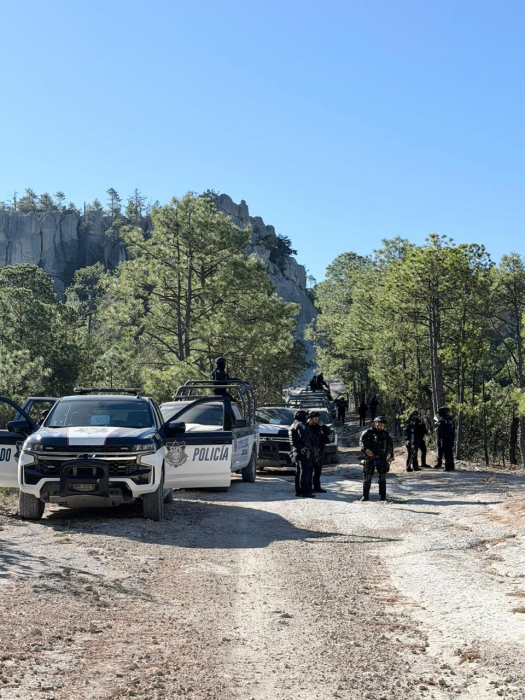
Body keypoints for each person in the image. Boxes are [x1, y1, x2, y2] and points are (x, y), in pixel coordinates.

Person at [359, 416, 394, 502]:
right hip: (370, 458)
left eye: (383, 425)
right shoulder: (368, 432)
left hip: (382, 458)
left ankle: (383, 496)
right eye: (380, 424)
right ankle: (365, 496)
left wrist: (391, 456)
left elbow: (390, 445)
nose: (382, 426)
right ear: (375, 423)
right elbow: (361, 442)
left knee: (382, 478)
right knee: (367, 477)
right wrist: (366, 449)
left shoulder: (386, 434)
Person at [289, 409, 316, 498]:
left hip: (296, 452)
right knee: (305, 472)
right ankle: (305, 492)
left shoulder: (293, 425)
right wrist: (311, 448)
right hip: (303, 453)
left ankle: (299, 491)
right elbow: (305, 439)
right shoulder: (300, 425)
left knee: (299, 472)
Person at [307, 411, 331, 493]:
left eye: (317, 418)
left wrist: (323, 426)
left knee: (318, 470)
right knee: (309, 470)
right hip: (310, 451)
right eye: (315, 418)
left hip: (320, 450)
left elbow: (329, 432)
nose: (317, 419)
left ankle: (317, 487)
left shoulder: (320, 426)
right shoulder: (307, 426)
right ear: (311, 418)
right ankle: (309, 487)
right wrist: (308, 424)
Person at [436, 406, 455, 471]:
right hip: (451, 438)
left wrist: (439, 438)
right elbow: (453, 429)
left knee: (446, 452)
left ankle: (447, 467)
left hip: (445, 438)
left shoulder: (442, 421)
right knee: (450, 452)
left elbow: (440, 431)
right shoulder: (451, 419)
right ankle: (452, 466)